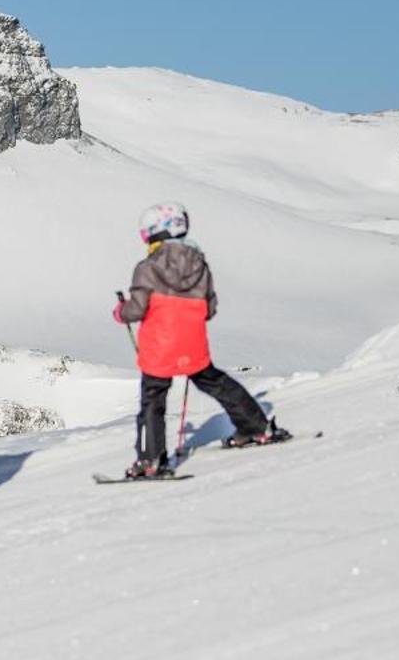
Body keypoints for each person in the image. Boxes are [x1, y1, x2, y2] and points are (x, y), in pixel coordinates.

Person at [113, 203, 287, 479]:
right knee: (217, 383)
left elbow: (137, 309)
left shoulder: (147, 268)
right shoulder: (199, 264)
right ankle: (256, 426)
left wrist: (121, 312)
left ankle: (151, 461)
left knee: (152, 400)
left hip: (159, 346)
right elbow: (209, 309)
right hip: (192, 342)